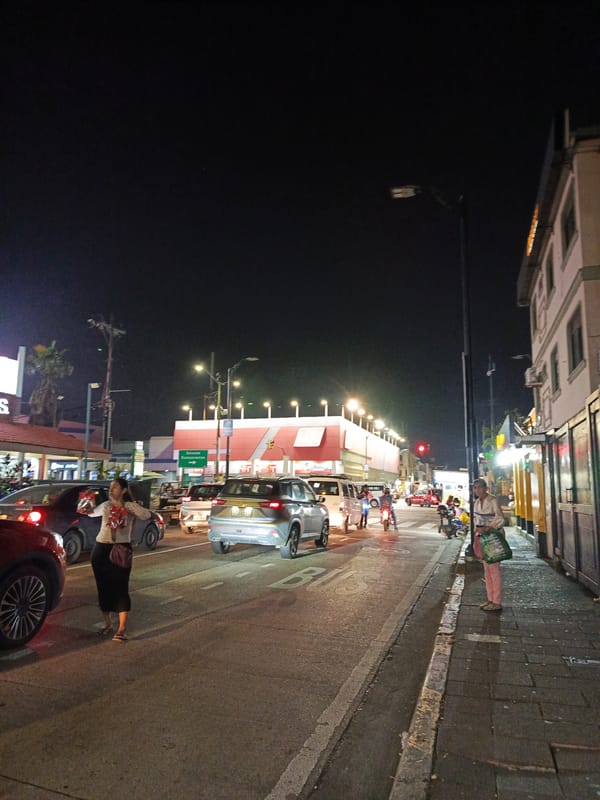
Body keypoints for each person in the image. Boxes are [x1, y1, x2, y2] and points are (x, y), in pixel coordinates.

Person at [89, 478, 151, 641]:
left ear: (123, 490)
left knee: (120, 587)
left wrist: (128, 506)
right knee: (103, 587)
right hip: (101, 547)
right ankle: (108, 624)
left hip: (120, 549)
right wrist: (84, 504)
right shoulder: (106, 506)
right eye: (110, 487)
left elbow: (146, 515)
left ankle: (121, 628)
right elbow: (90, 513)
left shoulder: (129, 507)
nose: (112, 489)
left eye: (115, 487)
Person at [473, 477, 506, 613]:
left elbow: (500, 518)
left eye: (480, 487)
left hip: (492, 537)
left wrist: (488, 527)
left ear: (485, 488)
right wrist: (478, 530)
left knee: (494, 569)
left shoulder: (492, 500)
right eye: (475, 488)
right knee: (486, 569)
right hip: (482, 537)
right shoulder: (476, 503)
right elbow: (476, 519)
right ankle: (490, 599)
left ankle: (496, 601)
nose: (477, 490)